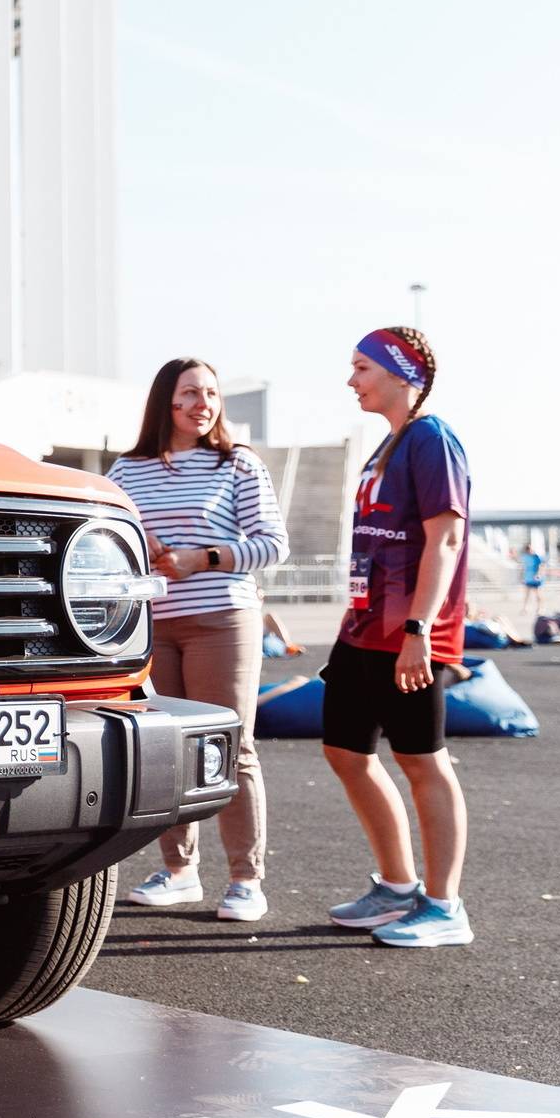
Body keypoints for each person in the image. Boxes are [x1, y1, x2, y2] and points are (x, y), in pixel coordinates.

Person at [110, 358, 288, 922]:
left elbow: (272, 543)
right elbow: (108, 541)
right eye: (190, 393)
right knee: (167, 748)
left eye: (211, 393)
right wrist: (141, 549)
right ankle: (180, 871)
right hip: (152, 624)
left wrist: (202, 558)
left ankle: (245, 879)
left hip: (223, 618)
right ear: (166, 400)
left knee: (232, 746)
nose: (203, 403)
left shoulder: (238, 464)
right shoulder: (126, 470)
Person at [321, 326, 474, 948]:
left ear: (400, 372)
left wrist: (419, 630)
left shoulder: (432, 439)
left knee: (421, 759)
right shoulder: (390, 443)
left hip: (408, 629)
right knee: (345, 752)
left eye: (362, 367)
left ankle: (444, 906)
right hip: (365, 626)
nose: (351, 380)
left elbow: (446, 539)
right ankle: (397, 886)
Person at [517, 544, 546, 615]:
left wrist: (538, 574)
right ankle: (526, 608)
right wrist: (521, 577)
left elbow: (540, 566)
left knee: (539, 594)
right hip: (528, 578)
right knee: (527, 595)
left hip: (536, 578)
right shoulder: (525, 557)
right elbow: (523, 567)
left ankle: (540, 608)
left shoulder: (536, 557)